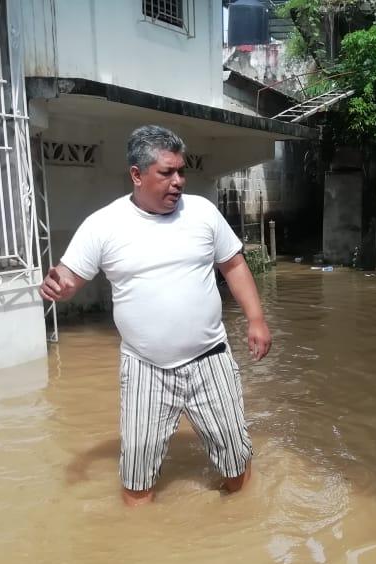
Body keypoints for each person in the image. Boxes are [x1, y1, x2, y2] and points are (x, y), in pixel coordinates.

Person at [39, 125, 272, 507]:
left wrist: (256, 319)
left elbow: (233, 264)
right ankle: (137, 551)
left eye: (181, 171)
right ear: (137, 174)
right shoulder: (104, 225)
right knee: (137, 477)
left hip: (209, 359)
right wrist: (58, 287)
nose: (178, 181)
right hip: (145, 367)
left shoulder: (202, 213)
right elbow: (69, 277)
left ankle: (245, 520)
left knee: (235, 461)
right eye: (166, 172)